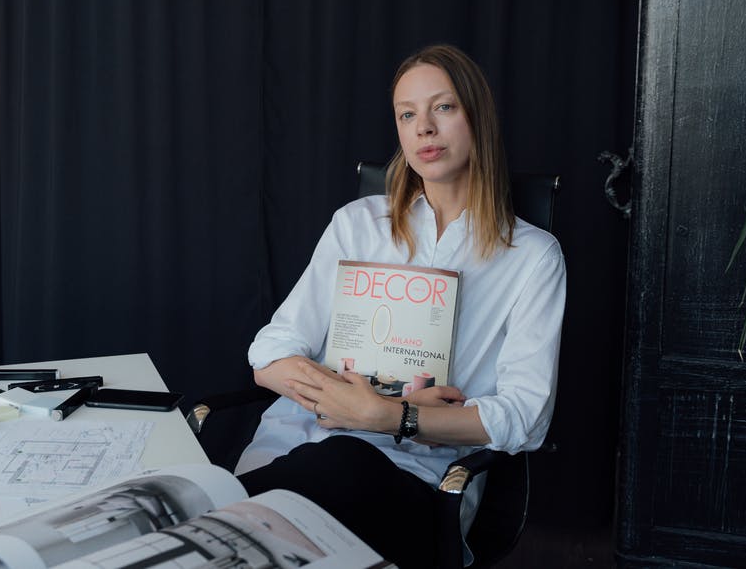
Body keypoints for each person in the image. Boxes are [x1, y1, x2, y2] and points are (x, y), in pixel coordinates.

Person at [235, 44, 567, 568]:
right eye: (407, 115)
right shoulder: (357, 223)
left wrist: (390, 417)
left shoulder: (532, 256)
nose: (424, 129)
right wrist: (349, 403)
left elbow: (526, 418)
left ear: (478, 116)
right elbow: (269, 355)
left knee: (335, 467)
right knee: (304, 480)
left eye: (444, 107)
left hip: (417, 478)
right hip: (294, 450)